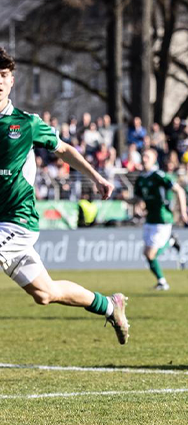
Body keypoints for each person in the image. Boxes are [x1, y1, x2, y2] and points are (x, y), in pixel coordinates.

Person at [0, 47, 130, 344]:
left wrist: (96, 176)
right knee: (45, 294)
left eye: (4, 75)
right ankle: (111, 306)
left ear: (12, 81)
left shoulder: (25, 123)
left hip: (17, 221)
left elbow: (64, 149)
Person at [135, 148, 188, 290]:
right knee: (147, 254)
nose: (144, 159)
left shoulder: (159, 176)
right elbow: (139, 199)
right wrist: (136, 206)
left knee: (150, 254)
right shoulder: (140, 179)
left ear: (154, 159)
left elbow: (179, 190)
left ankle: (170, 241)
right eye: (143, 156)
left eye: (147, 156)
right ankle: (162, 282)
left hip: (162, 219)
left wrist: (183, 212)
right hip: (149, 219)